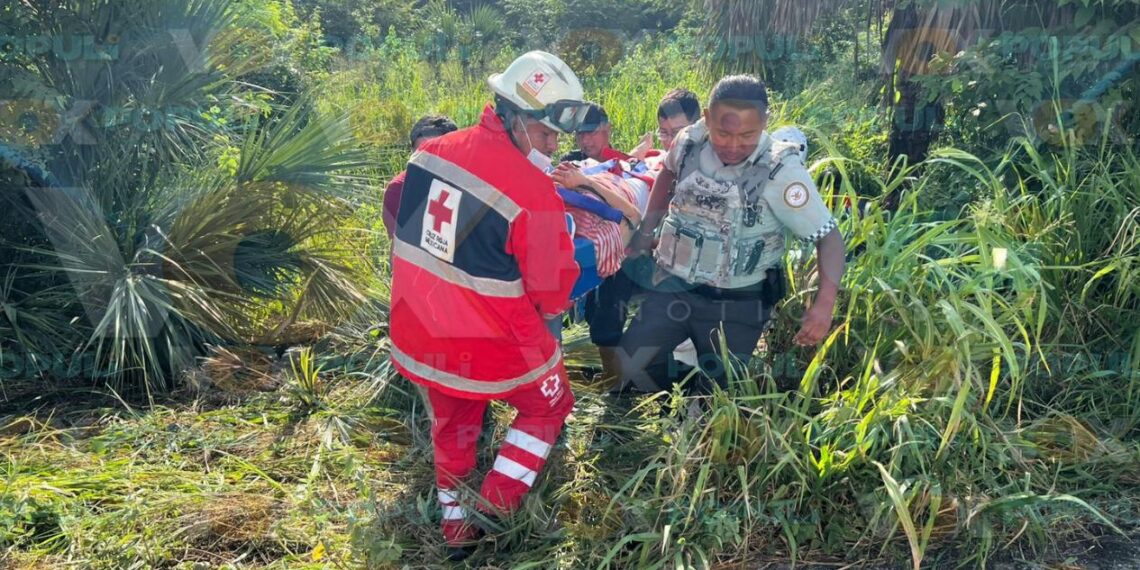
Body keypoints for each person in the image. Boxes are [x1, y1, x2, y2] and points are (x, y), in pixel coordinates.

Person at [388, 51, 590, 560]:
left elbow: (417, 241)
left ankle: (456, 533)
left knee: (454, 424)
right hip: (493, 341)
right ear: (513, 117)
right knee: (551, 405)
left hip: (422, 329)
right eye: (545, 133)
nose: (553, 145)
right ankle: (494, 510)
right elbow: (551, 294)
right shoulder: (536, 194)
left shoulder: (426, 154)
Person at [618, 75, 845, 395]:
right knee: (630, 363)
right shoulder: (687, 141)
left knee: (716, 394)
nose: (734, 145)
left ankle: (697, 409)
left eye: (748, 134)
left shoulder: (781, 169)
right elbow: (667, 171)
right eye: (723, 132)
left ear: (764, 123)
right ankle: (671, 397)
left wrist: (824, 303)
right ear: (708, 118)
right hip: (673, 285)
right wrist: (646, 231)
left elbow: (829, 236)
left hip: (736, 303)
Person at [580, 90, 704, 387]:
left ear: (698, 125)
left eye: (679, 132)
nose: (671, 140)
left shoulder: (713, 169)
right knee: (604, 317)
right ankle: (617, 384)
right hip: (641, 252)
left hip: (686, 268)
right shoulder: (660, 162)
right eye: (664, 132)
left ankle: (676, 392)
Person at [381, 115, 459, 240]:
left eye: (438, 153)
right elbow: (400, 248)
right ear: (412, 153)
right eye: (423, 154)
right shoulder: (399, 191)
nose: (430, 163)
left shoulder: (470, 186)